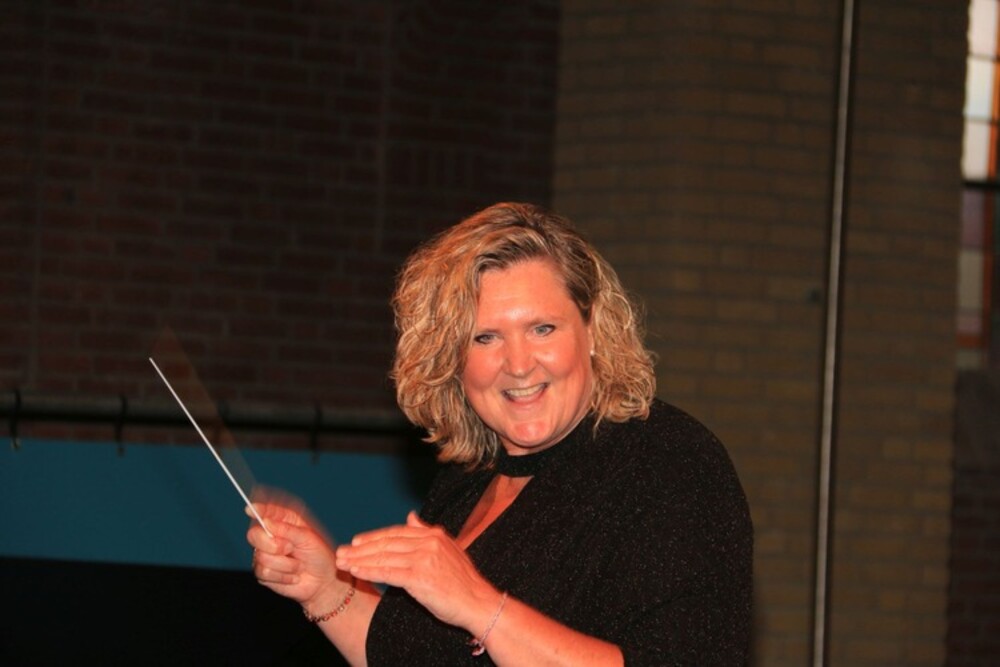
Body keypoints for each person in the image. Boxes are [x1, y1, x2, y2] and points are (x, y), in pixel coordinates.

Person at [247, 202, 753, 665]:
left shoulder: (669, 463)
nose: (518, 364)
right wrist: (325, 590)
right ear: (451, 360)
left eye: (542, 329)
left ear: (593, 330)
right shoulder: (469, 480)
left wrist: (478, 605)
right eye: (485, 337)